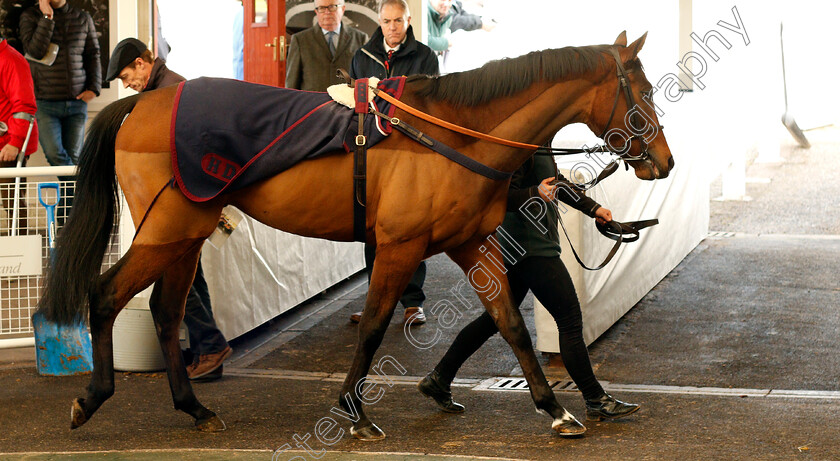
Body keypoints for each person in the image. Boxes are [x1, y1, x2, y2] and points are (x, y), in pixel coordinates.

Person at [418, 155, 640, 436]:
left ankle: (439, 379)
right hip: (531, 249)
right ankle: (596, 399)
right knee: (569, 320)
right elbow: (496, 196)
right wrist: (533, 193)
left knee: (494, 319)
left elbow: (555, 183)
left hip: (523, 247)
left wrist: (593, 208)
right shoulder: (523, 145)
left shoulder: (541, 138)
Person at [105, 38, 232, 381]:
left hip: (179, 205)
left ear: (142, 63)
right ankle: (207, 347)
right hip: (187, 202)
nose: (126, 82)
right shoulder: (168, 86)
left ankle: (210, 345)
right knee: (191, 277)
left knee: (176, 276)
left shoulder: (168, 92)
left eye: (127, 74)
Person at [348, 0, 438, 326]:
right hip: (374, 152)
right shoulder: (363, 56)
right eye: (386, 21)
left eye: (397, 21)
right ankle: (376, 302)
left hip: (412, 153)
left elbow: (431, 103)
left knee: (412, 228)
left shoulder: (425, 56)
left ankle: (413, 303)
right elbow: (353, 104)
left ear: (408, 20)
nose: (391, 27)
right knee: (374, 228)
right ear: (380, 22)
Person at [19, 0, 100, 173]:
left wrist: (94, 88)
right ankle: (83, 195)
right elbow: (35, 52)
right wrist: (47, 18)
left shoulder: (83, 18)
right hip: (44, 102)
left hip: (77, 102)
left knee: (75, 157)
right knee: (55, 155)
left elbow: (93, 54)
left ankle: (74, 200)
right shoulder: (30, 17)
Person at [285, 0, 367, 92]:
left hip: (348, 103)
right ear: (316, 11)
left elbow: (365, 77)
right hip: (314, 103)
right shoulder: (300, 40)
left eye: (332, 7)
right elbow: (291, 85)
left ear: (343, 9)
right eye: (321, 8)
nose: (327, 12)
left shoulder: (360, 38)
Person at [0, 37, 38, 233]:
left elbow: (25, 106)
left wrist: (15, 143)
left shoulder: (11, 60)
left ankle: (19, 251)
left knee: (12, 202)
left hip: (8, 146)